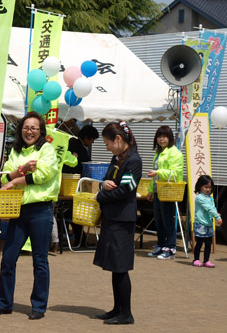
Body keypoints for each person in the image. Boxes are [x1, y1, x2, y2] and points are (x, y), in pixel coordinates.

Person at [0, 111, 59, 321]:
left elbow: (43, 175)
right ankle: (4, 303)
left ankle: (39, 306)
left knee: (40, 260)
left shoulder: (47, 150)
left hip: (41, 210)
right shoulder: (16, 150)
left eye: (34, 128)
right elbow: (5, 175)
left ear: (41, 131)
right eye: (26, 128)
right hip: (18, 210)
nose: (29, 131)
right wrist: (22, 170)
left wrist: (16, 179)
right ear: (20, 130)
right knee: (8, 258)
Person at [93, 121, 142, 325]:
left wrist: (100, 195)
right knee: (114, 265)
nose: (107, 147)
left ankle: (126, 313)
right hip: (112, 217)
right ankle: (117, 308)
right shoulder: (117, 157)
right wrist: (103, 184)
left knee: (121, 267)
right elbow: (107, 179)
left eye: (108, 143)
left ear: (119, 139)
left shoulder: (134, 161)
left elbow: (125, 190)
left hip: (123, 218)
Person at [145, 125, 184, 260]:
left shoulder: (175, 153)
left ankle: (171, 248)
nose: (161, 139)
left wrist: (158, 172)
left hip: (169, 191)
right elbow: (154, 174)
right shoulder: (159, 153)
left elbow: (175, 173)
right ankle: (161, 246)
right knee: (159, 220)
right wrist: (151, 190)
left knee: (167, 220)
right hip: (158, 190)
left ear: (170, 138)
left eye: (164, 136)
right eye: (159, 136)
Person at [192, 175, 222, 268]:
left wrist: (215, 212)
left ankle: (206, 261)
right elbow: (208, 208)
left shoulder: (210, 198)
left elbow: (212, 208)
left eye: (210, 187)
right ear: (199, 186)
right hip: (200, 224)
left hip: (208, 224)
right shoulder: (200, 197)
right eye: (206, 187)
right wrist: (217, 216)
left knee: (208, 243)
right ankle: (196, 259)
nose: (208, 189)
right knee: (200, 242)